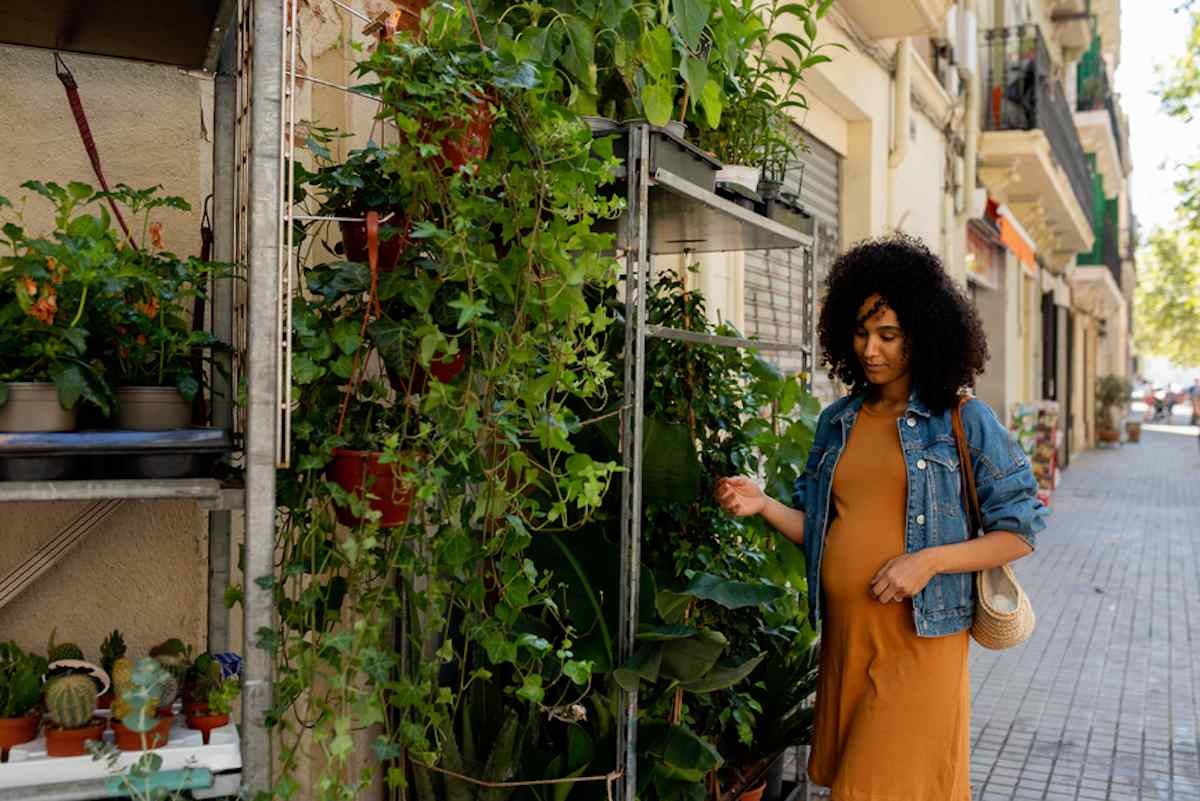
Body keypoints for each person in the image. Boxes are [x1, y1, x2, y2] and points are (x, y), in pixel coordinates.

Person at [715, 235, 1045, 801]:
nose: (871, 349)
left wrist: (928, 562)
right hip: (849, 641)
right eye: (862, 333)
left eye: (888, 336)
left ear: (922, 335)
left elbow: (1021, 530)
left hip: (919, 642)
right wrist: (765, 505)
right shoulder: (838, 421)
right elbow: (825, 533)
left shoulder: (961, 419)